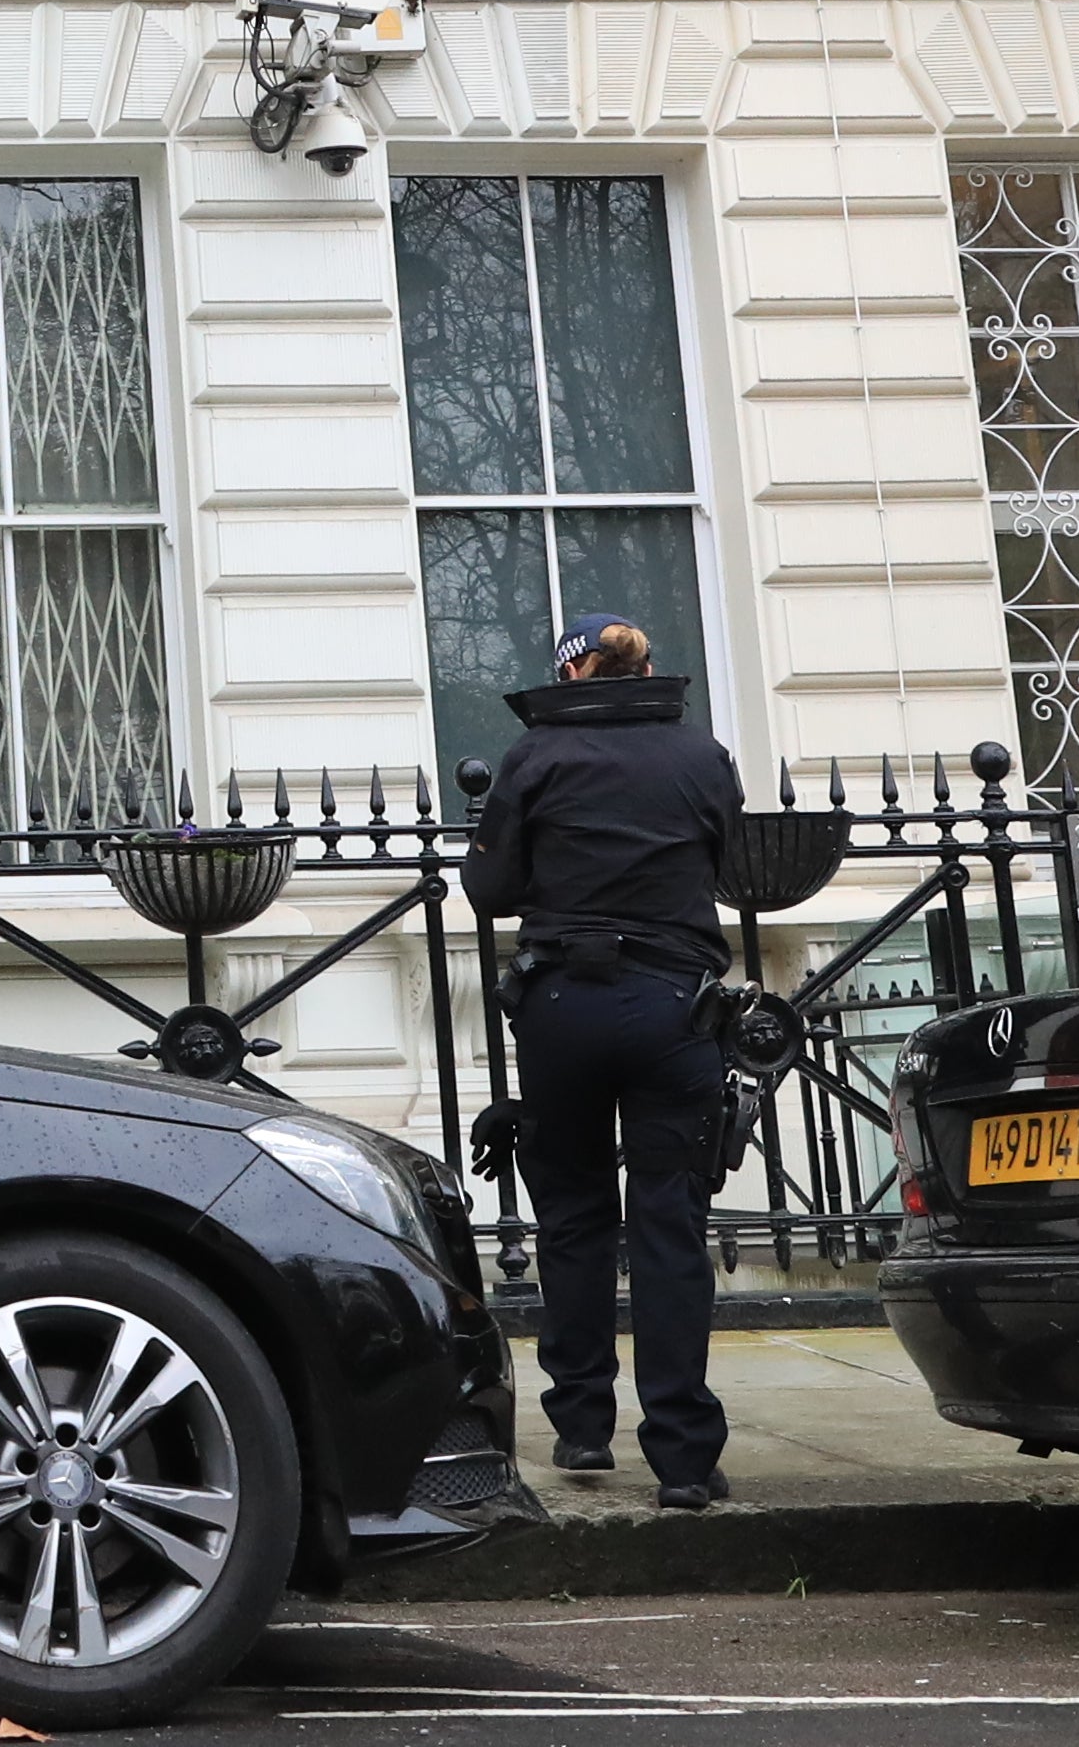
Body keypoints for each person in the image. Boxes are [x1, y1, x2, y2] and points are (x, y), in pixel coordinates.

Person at [457, 613, 746, 1511]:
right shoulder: (701, 754)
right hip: (674, 1007)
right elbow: (737, 871)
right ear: (649, 669)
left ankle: (583, 1428)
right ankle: (685, 1459)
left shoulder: (535, 756)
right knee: (669, 1227)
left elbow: (490, 889)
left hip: (561, 1010)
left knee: (574, 1219)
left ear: (571, 672)